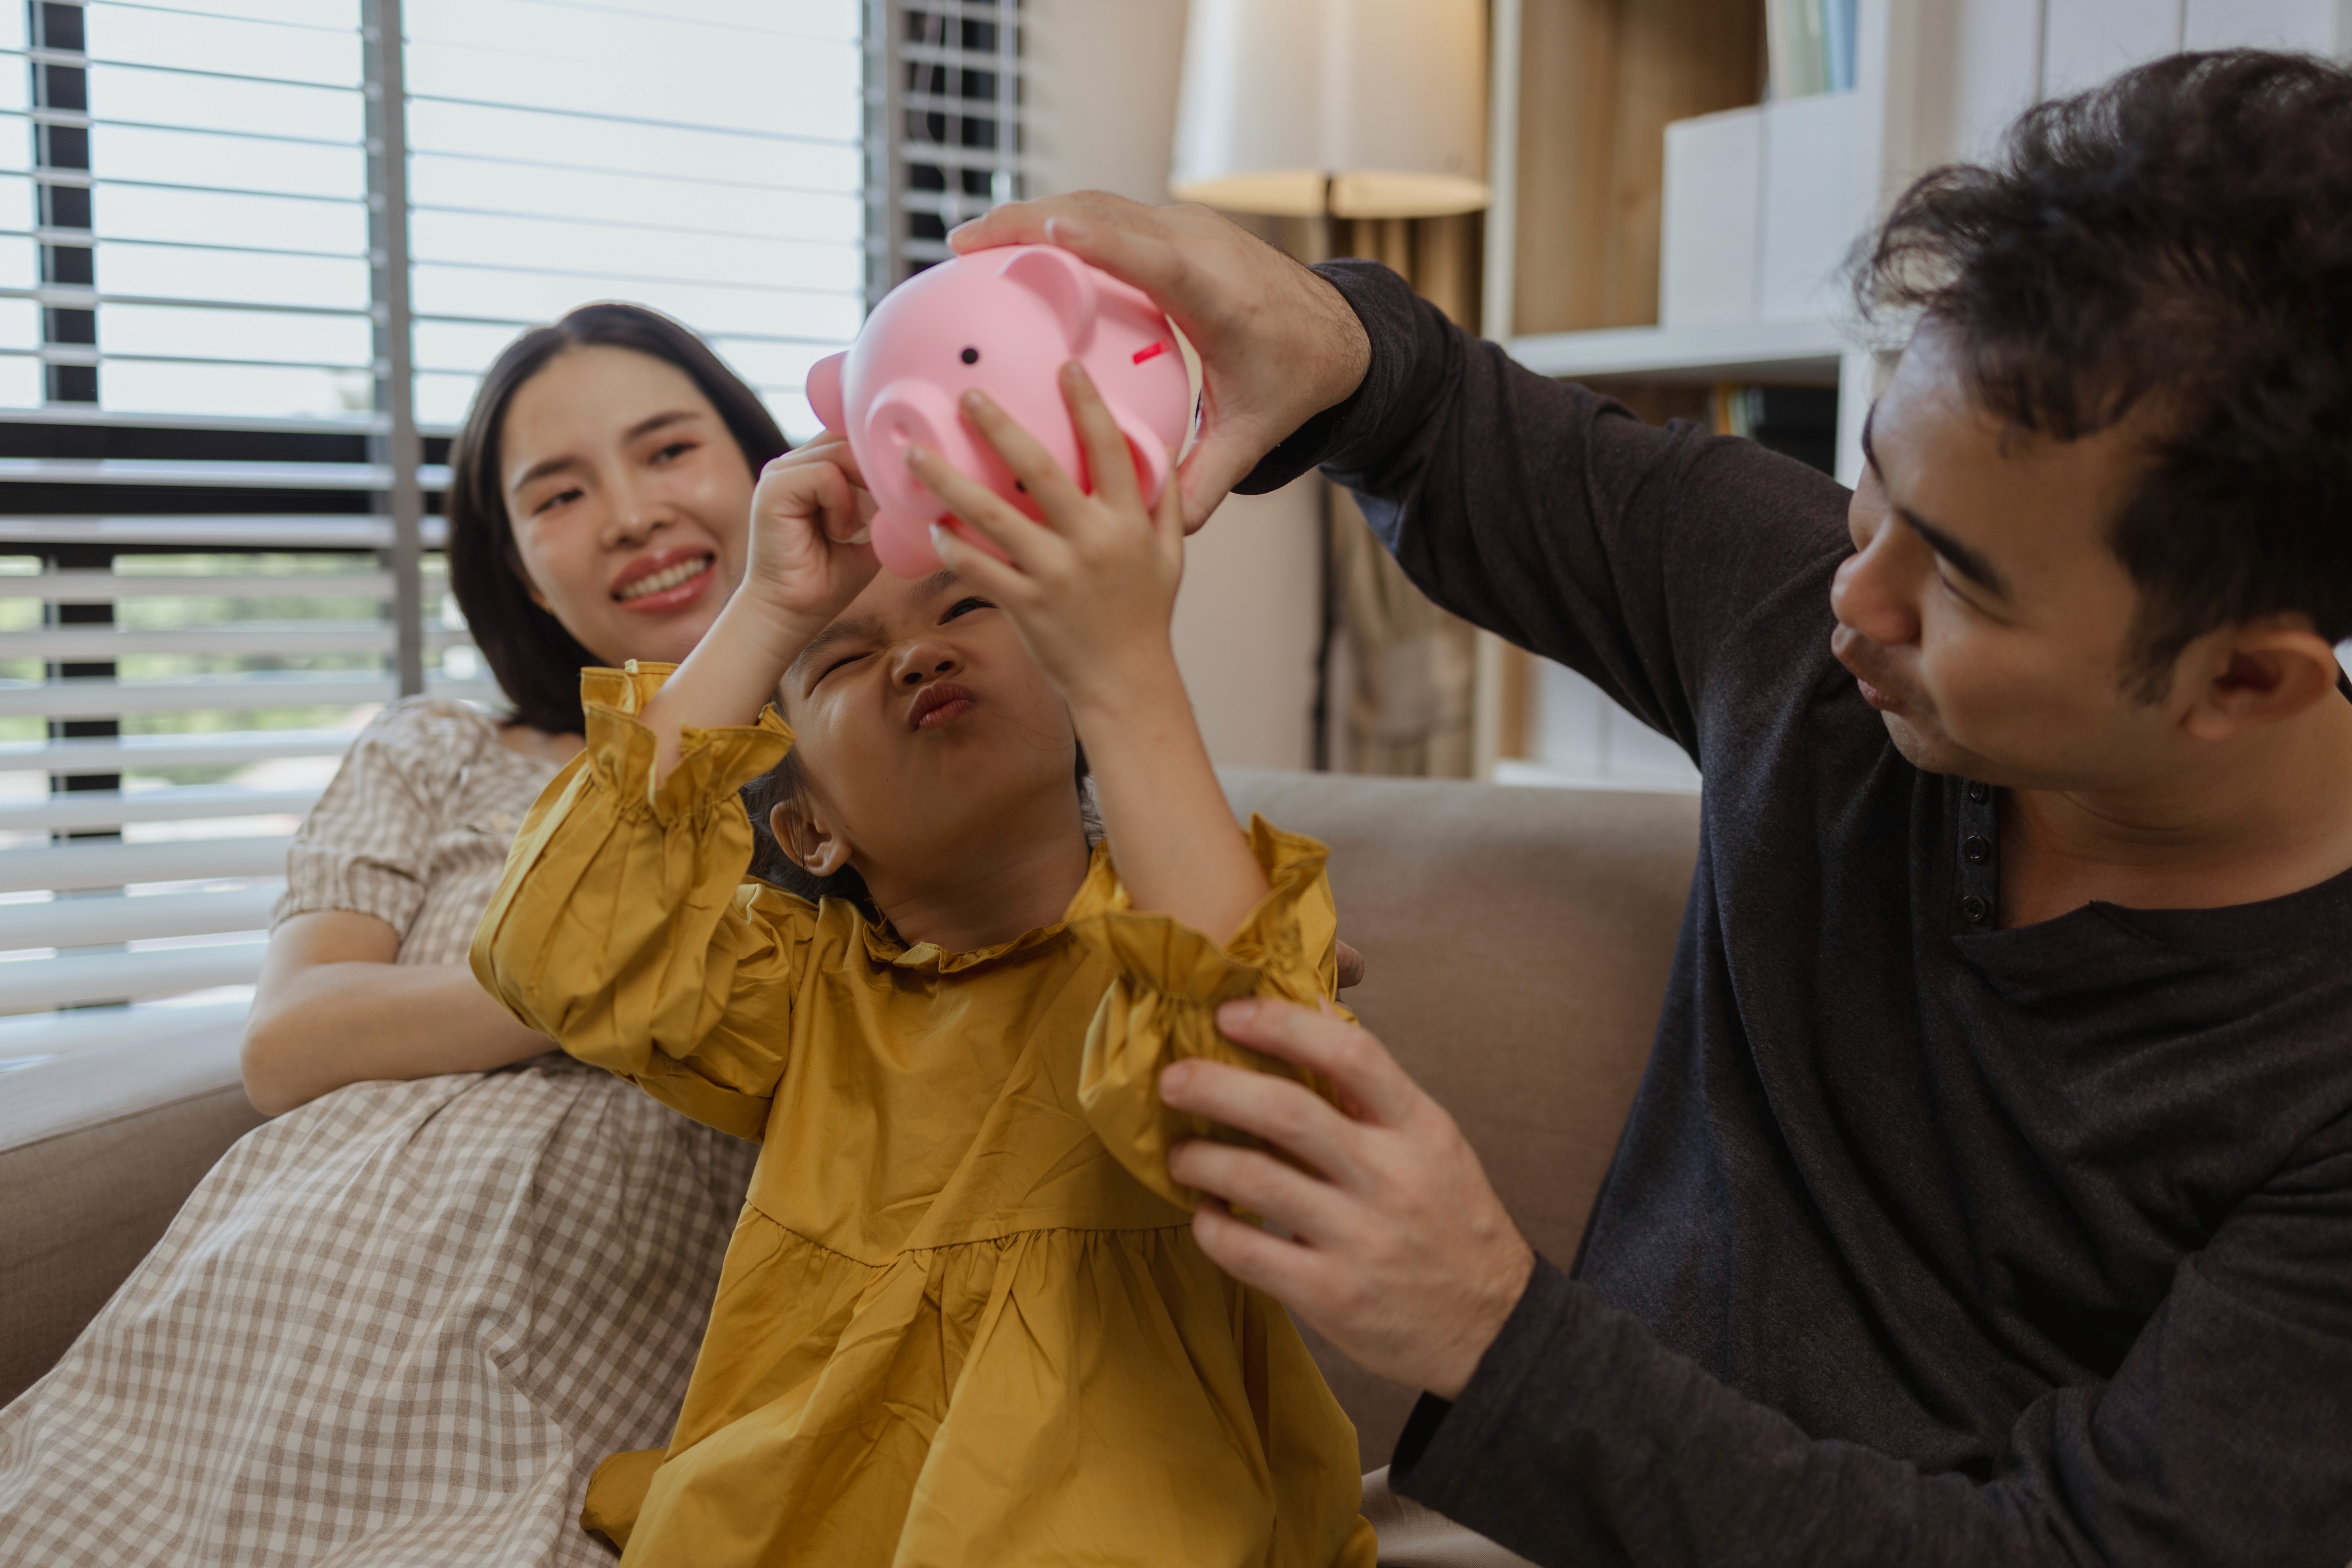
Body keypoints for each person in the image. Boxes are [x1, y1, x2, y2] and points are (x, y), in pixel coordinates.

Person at [949, 50, 2352, 1567]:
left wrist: (1490, 1324)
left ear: (2243, 680)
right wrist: (1320, 338)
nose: (1850, 598)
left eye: (1961, 584)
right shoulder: (1820, 618)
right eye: (1876, 484)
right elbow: (1443, 420)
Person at [472, 363, 1375, 1566]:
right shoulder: (800, 996)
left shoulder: (1191, 930)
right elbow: (556, 950)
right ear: (808, 832)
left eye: (968, 608)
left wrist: (1123, 663)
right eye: (843, 662)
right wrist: (769, 609)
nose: (917, 656)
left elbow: (1246, 1089)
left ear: (1074, 689)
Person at [0, 303, 780, 1568]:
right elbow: (292, 1039)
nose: (633, 514)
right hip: (283, 1290)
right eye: (560, 492)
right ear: (522, 566)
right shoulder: (440, 749)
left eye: (671, 450)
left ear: (765, 467)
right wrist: (597, 973)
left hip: (581, 1336)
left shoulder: (861, 759)